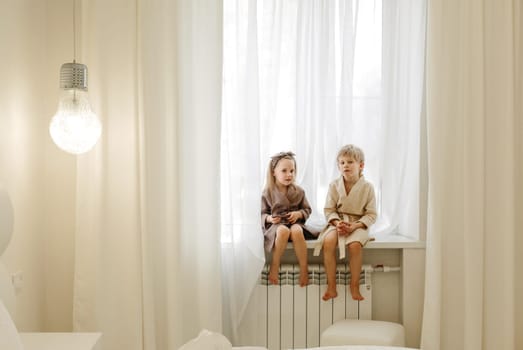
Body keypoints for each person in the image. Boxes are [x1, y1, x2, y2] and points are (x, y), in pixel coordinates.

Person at [313, 145, 377, 301]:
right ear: (338, 166)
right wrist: (337, 223)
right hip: (338, 221)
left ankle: (354, 286)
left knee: (354, 246)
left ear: (361, 165)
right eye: (341, 163)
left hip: (358, 223)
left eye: (350, 162)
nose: (345, 165)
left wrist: (355, 226)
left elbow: (371, 214)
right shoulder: (334, 185)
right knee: (328, 243)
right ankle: (332, 286)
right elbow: (329, 209)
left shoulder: (368, 187)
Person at [261, 151, 317, 287]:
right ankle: (275, 264)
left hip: (295, 225)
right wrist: (269, 218)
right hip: (277, 227)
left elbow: (307, 210)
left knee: (297, 230)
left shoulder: (299, 191)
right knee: (283, 231)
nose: (289, 174)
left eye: (292, 171)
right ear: (274, 172)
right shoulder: (267, 192)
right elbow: (262, 213)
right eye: (284, 171)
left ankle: (304, 268)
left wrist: (298, 214)